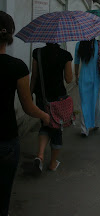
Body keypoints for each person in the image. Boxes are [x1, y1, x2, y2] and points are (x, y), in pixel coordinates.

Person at [0, 11, 50, 216]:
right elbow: (28, 107)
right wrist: (44, 116)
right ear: (10, 35)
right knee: (3, 195)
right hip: (5, 138)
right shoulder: (17, 67)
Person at [30, 43, 73, 172]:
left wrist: (29, 93)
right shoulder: (65, 55)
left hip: (41, 98)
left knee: (45, 124)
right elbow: (69, 79)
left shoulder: (37, 53)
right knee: (57, 129)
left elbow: (34, 76)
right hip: (58, 99)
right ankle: (53, 163)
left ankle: (40, 155)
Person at [74, 38, 100, 137]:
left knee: (84, 103)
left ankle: (84, 129)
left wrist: (76, 75)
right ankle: (96, 123)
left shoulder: (79, 44)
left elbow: (76, 61)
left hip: (84, 77)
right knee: (96, 101)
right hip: (96, 78)